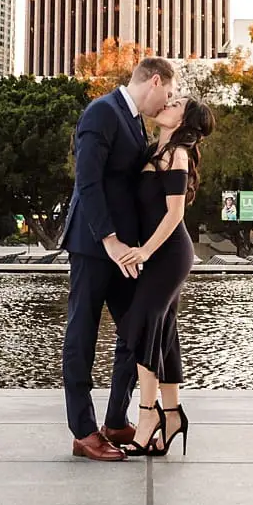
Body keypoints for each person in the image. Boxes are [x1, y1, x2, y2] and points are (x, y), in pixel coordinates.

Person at [62, 56, 175, 460]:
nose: (168, 101)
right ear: (155, 81)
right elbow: (87, 182)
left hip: (124, 252)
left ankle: (114, 420)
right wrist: (109, 240)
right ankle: (83, 431)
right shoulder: (101, 112)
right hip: (94, 247)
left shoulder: (132, 120)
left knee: (135, 333)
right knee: (82, 335)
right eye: (169, 93)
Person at [116, 95, 211, 456]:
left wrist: (144, 251)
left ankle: (146, 417)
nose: (167, 104)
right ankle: (171, 414)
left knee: (142, 326)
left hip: (169, 254)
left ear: (183, 122)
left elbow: (174, 215)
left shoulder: (177, 156)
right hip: (160, 254)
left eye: (176, 105)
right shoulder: (155, 152)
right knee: (164, 333)